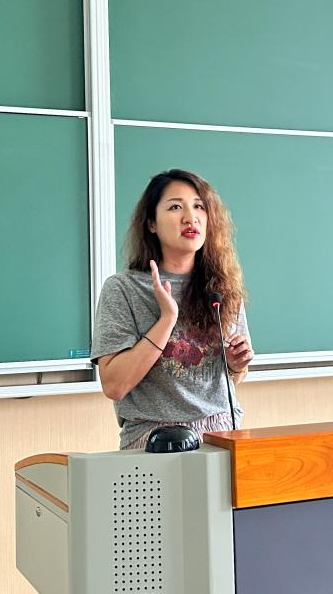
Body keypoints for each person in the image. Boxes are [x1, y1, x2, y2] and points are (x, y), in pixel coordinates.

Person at [92, 168, 254, 449]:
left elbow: (234, 379)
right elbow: (115, 386)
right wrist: (167, 319)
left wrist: (234, 364)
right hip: (154, 438)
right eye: (175, 207)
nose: (191, 217)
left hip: (222, 431)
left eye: (199, 206)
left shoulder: (223, 287)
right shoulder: (123, 289)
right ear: (151, 223)